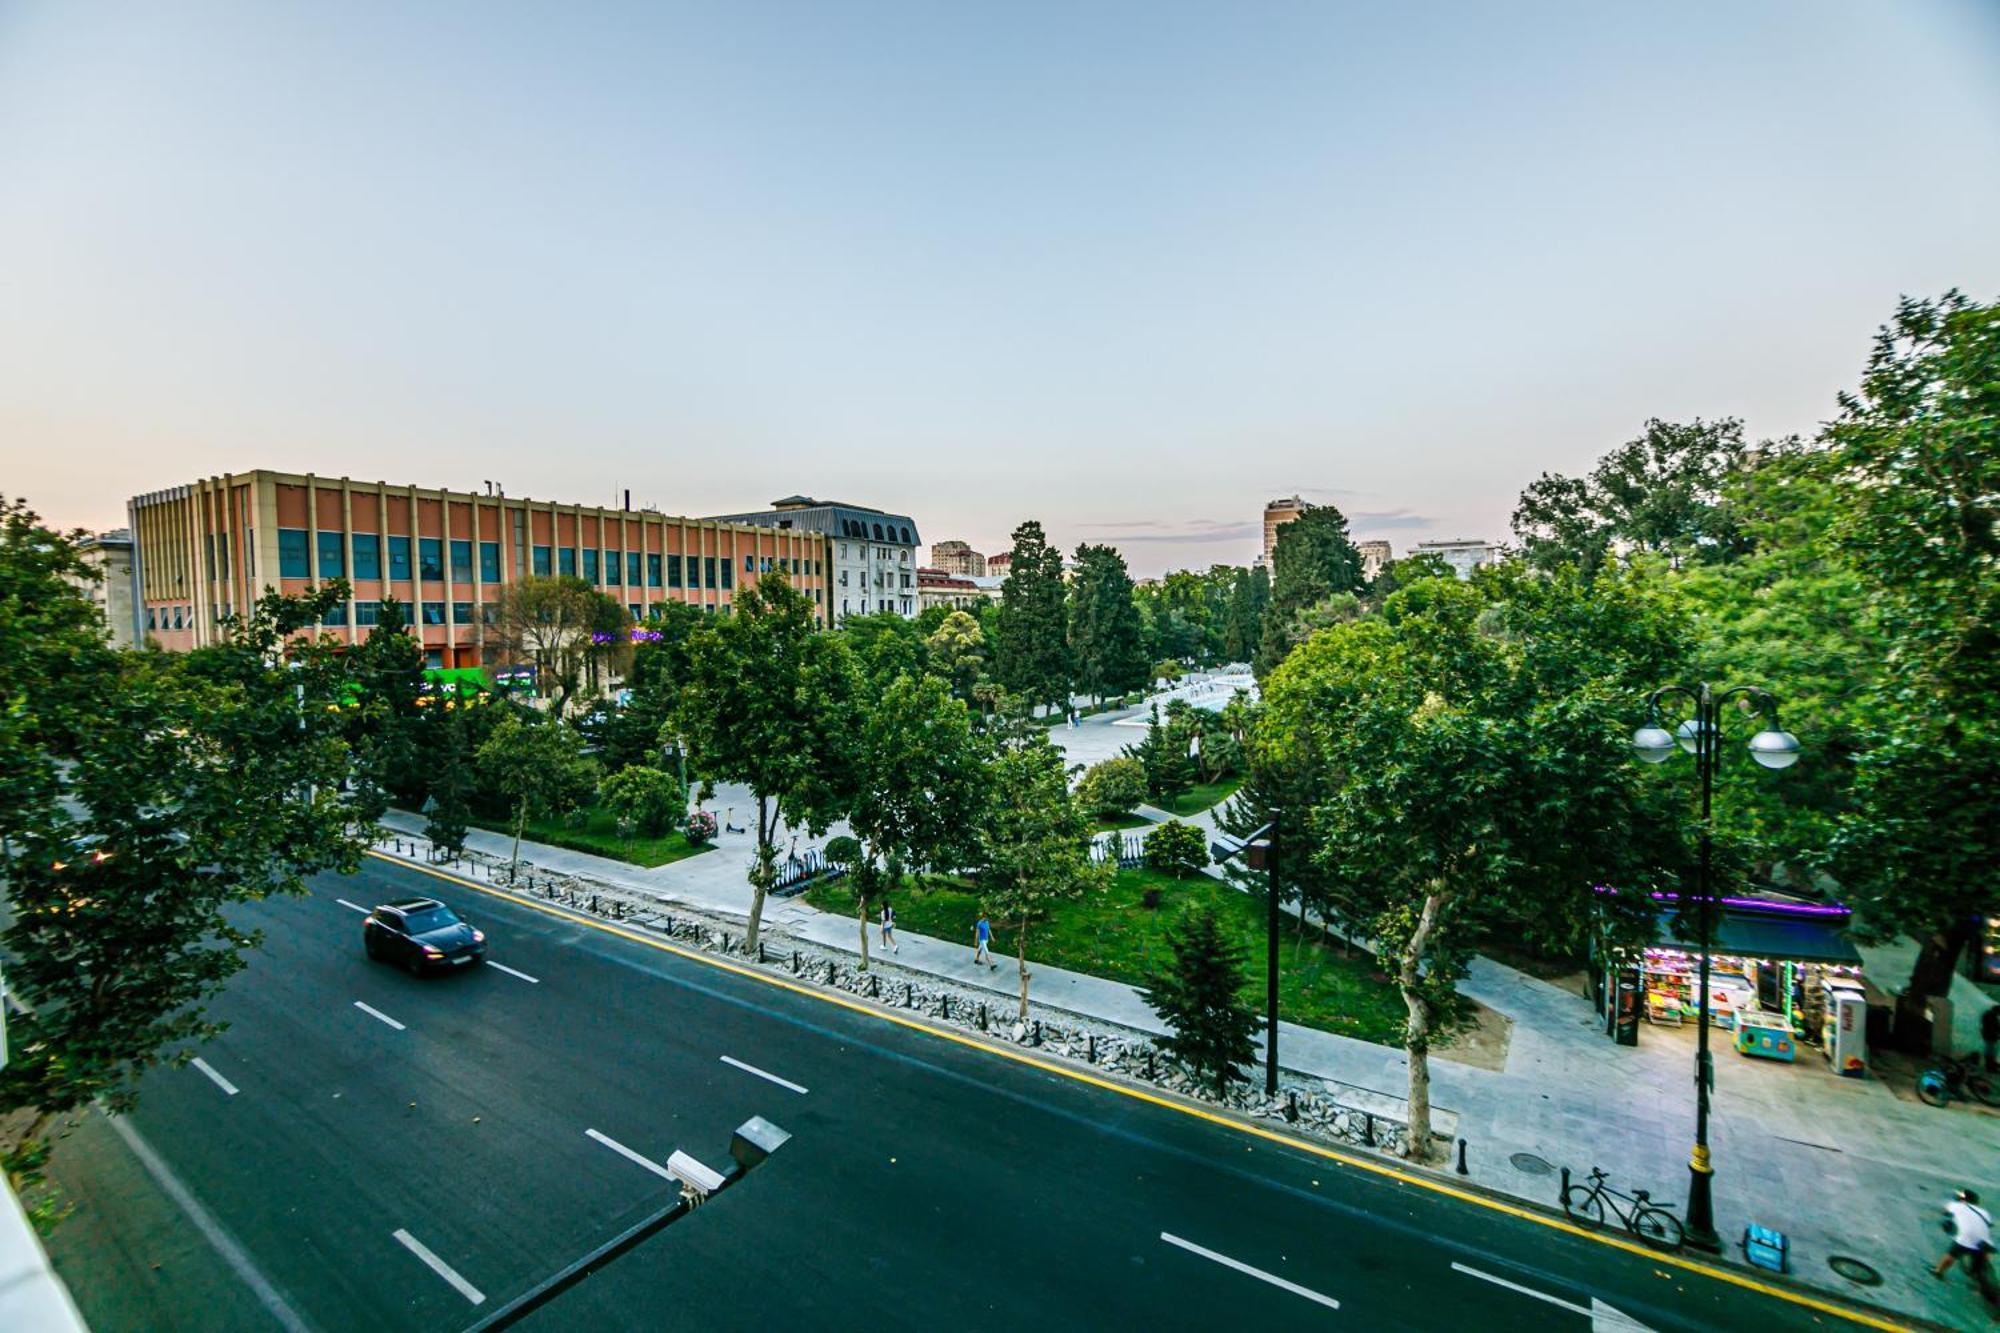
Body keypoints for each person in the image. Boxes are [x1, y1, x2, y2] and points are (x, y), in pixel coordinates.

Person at [1935, 1188, 1997, 1305]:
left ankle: (1938, 1271)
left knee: (1952, 1254)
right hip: (1984, 1243)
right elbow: (1988, 1225)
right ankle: (1980, 1287)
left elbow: (1944, 1212)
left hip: (1966, 1238)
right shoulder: (1985, 1212)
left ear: (1963, 1199)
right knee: (1980, 1265)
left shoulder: (1956, 1205)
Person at [1983, 1003, 1999, 1073]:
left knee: (1990, 1051)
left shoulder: (1988, 1015)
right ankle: (1990, 1067)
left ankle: (1990, 1066)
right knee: (1991, 1051)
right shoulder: (1992, 1016)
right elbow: (1994, 1027)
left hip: (1989, 1036)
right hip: (1991, 1036)